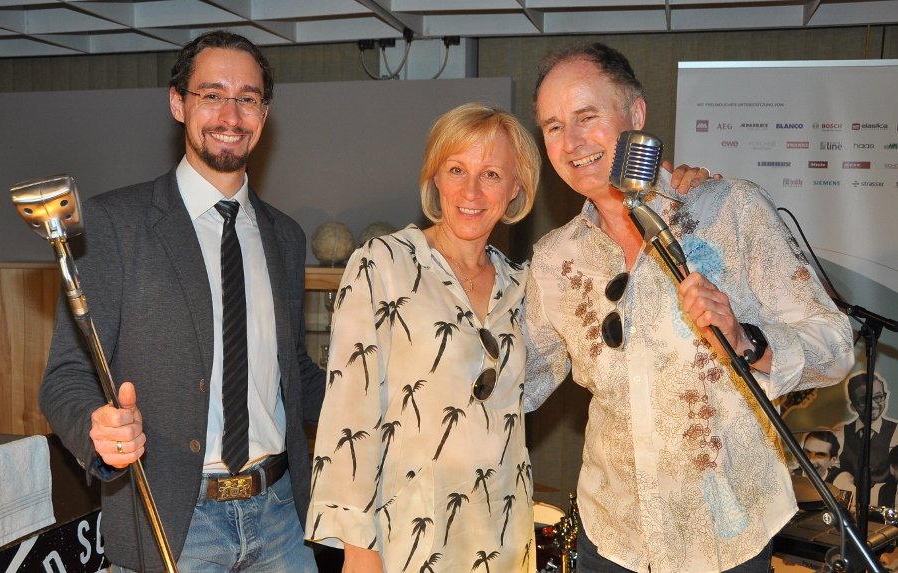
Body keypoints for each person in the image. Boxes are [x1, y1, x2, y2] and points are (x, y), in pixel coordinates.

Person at [304, 102, 712, 572]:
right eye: (456, 170)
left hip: (502, 532)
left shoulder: (526, 285)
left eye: (492, 175)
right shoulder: (383, 264)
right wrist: (359, 549)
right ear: (435, 177)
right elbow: (348, 414)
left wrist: (680, 194)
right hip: (405, 536)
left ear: (516, 187)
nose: (471, 191)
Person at [522, 42, 855, 573]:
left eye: (587, 116)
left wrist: (747, 340)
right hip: (612, 540)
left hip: (726, 540)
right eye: (554, 126)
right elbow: (519, 384)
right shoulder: (554, 258)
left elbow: (835, 345)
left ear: (636, 115)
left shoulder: (730, 211)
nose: (572, 142)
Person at [39, 30, 325, 572]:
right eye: (212, 94)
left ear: (264, 114)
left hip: (281, 519)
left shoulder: (285, 237)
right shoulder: (111, 225)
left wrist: (387, 402)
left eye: (247, 98)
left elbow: (294, 372)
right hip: (174, 522)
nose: (230, 115)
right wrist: (98, 432)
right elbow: (66, 378)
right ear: (178, 103)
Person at [838, 371, 898, 486]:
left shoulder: (896, 432)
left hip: (884, 495)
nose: (873, 405)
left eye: (878, 397)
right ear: (853, 406)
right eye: (864, 400)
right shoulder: (841, 433)